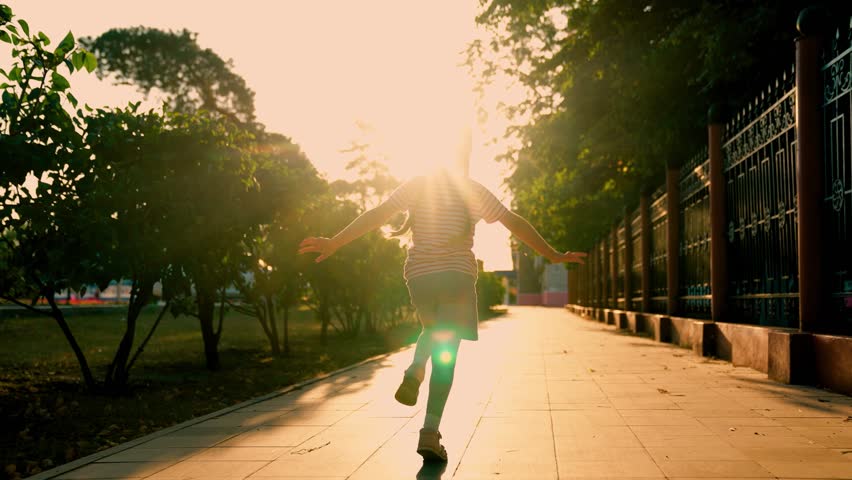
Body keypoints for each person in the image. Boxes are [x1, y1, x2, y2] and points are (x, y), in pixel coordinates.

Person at [299, 148, 586, 462]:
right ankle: (430, 432)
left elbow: (377, 214)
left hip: (419, 276)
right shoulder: (472, 189)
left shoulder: (418, 185)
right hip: (456, 277)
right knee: (446, 356)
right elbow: (514, 222)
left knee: (432, 332)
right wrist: (553, 253)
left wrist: (334, 242)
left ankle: (416, 368)